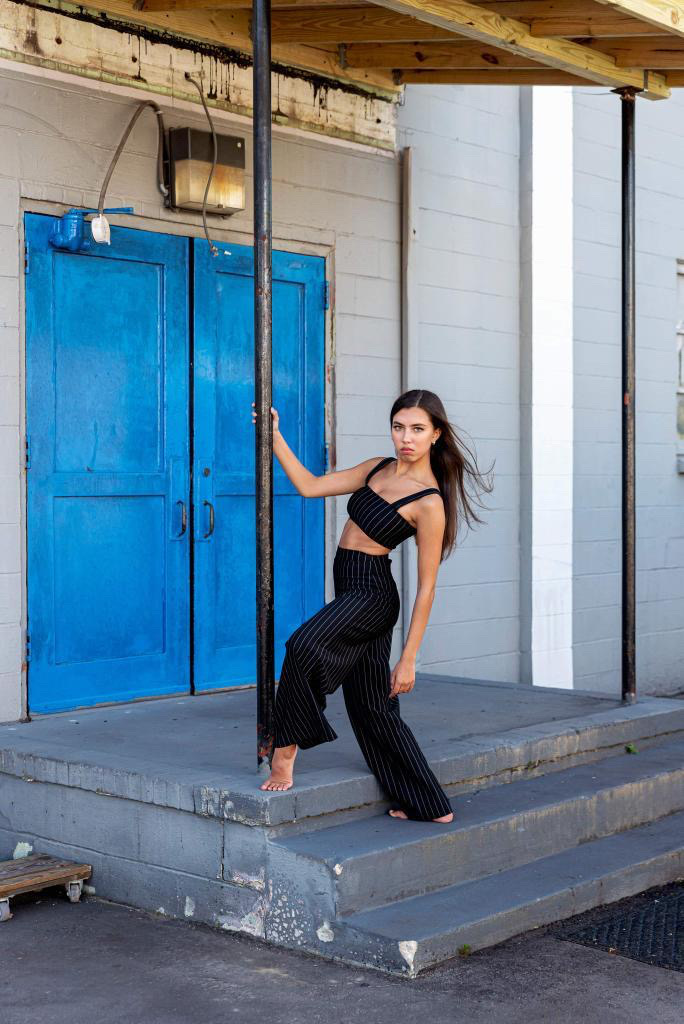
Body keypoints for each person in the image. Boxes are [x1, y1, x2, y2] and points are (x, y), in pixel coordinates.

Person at [252, 388, 493, 822]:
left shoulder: (429, 502)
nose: (407, 437)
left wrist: (409, 658)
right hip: (349, 587)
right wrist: (275, 437)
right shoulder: (377, 468)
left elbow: (427, 587)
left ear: (436, 434)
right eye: (399, 427)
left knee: (303, 645)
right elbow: (310, 487)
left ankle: (285, 749)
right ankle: (429, 805)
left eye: (418, 429)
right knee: (373, 707)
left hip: (372, 595)